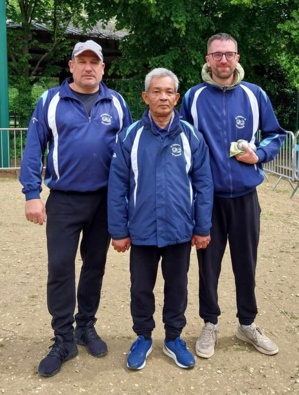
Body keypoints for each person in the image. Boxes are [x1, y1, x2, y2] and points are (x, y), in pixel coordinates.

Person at [19, 40, 132, 377]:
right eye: (81, 61)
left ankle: (86, 325)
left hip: (104, 201)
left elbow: (128, 155)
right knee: (60, 267)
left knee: (94, 265)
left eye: (94, 62)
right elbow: (34, 145)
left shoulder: (118, 102)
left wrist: (127, 201)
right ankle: (63, 337)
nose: (88, 67)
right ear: (71, 66)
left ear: (102, 68)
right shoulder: (50, 101)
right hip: (65, 200)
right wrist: (31, 193)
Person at [180, 33, 287, 359]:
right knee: (207, 265)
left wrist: (260, 155)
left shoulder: (255, 95)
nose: (223, 60)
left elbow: (276, 135)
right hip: (207, 199)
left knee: (246, 263)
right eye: (217, 55)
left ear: (237, 57)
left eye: (228, 54)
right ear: (208, 59)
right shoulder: (193, 97)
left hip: (244, 195)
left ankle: (247, 324)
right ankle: (210, 324)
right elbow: (180, 139)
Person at [108, 67, 214, 370]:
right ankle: (142, 337)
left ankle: (173, 339)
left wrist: (202, 226)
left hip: (180, 230)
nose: (163, 97)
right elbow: (118, 186)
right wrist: (118, 230)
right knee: (140, 287)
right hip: (140, 230)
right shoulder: (130, 136)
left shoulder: (191, 135)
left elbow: (204, 184)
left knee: (177, 286)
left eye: (169, 92)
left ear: (177, 97)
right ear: (145, 96)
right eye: (157, 91)